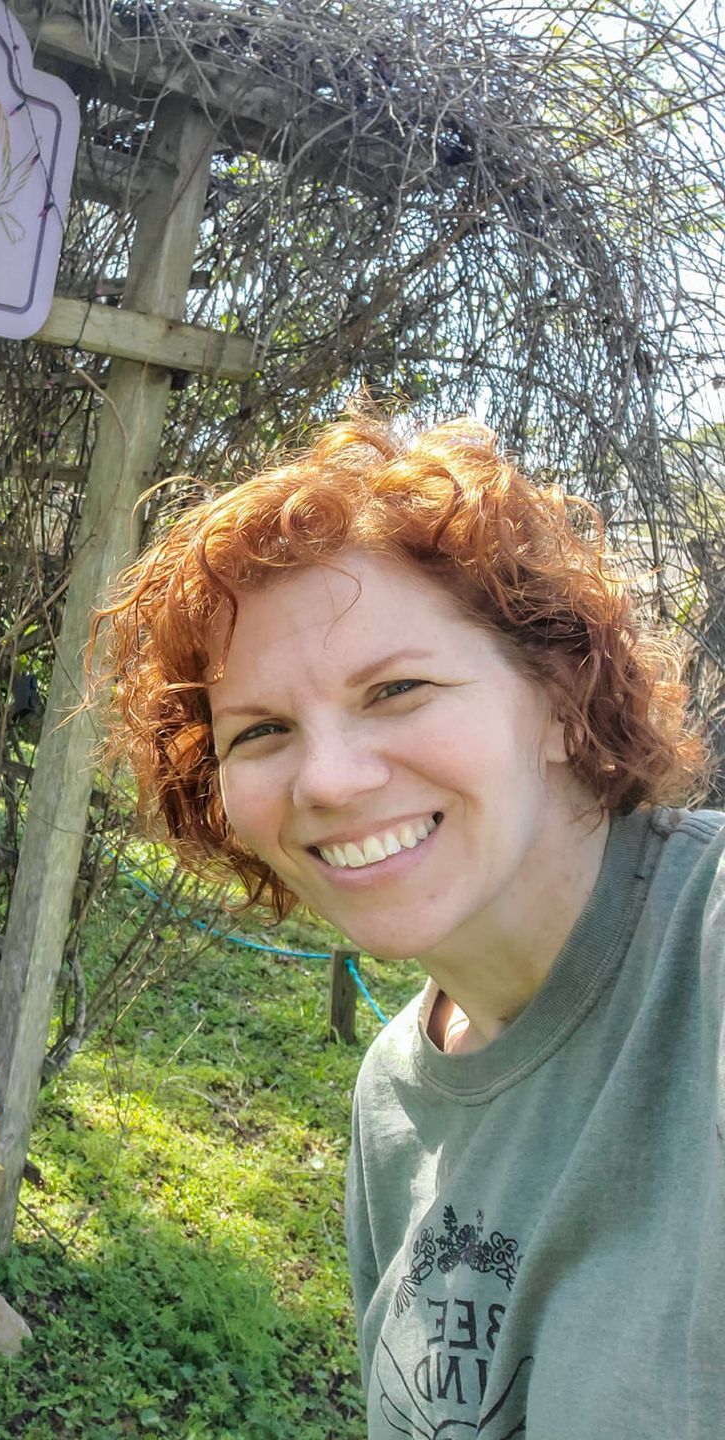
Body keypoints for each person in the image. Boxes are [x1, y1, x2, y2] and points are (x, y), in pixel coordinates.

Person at [93, 415, 720, 1439]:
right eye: (262, 731)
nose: (329, 779)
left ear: (561, 697)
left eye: (398, 690)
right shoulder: (393, 1097)